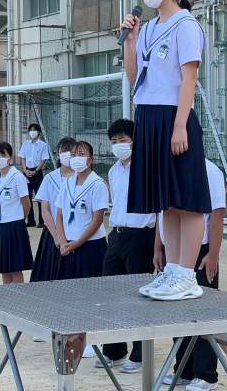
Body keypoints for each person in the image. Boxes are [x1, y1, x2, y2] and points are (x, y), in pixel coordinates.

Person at [122, 0, 211, 301]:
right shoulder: (148, 28)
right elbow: (136, 79)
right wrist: (131, 41)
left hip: (175, 116)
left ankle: (187, 275)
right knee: (167, 203)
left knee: (188, 200)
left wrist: (180, 127)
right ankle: (172, 270)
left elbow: (189, 80)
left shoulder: (186, 25)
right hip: (147, 115)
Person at [153, 159, 226, 391]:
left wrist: (213, 253)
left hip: (200, 251)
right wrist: (158, 248)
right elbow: (162, 213)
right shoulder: (167, 167)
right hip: (174, 252)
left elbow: (217, 214)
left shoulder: (210, 171)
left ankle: (206, 375)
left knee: (202, 313)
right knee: (177, 311)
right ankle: (183, 369)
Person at [96, 119, 155, 374]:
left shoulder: (148, 168)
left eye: (123, 140)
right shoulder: (113, 171)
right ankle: (114, 349)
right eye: (114, 141)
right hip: (117, 234)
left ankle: (140, 353)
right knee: (110, 293)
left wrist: (158, 245)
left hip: (141, 236)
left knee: (137, 296)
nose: (118, 145)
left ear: (134, 141)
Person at [55, 140, 108, 280]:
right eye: (73, 155)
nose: (76, 158)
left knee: (91, 288)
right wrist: (62, 242)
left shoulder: (98, 184)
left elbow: (97, 221)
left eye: (81, 154)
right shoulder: (67, 183)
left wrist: (77, 244)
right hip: (67, 246)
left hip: (91, 246)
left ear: (90, 160)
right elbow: (59, 215)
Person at [30, 137, 76, 283]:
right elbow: (45, 210)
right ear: (58, 154)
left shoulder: (81, 177)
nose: (67, 154)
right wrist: (57, 236)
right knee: (50, 276)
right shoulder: (50, 178)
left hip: (76, 233)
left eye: (71, 152)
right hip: (53, 233)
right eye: (64, 151)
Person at [0, 142, 33, 284]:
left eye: (3, 155)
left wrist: (21, 219)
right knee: (4, 267)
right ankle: (7, 293)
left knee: (15, 268)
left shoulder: (17, 177)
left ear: (10, 158)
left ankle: (19, 295)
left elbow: (26, 203)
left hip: (14, 225)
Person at [18, 123, 50, 228]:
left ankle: (42, 221)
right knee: (27, 196)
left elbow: (43, 159)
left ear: (39, 132)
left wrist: (35, 171)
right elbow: (22, 157)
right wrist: (25, 170)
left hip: (37, 172)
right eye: (31, 130)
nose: (32, 132)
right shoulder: (25, 144)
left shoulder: (43, 145)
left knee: (40, 197)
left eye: (34, 130)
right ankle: (30, 220)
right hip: (26, 172)